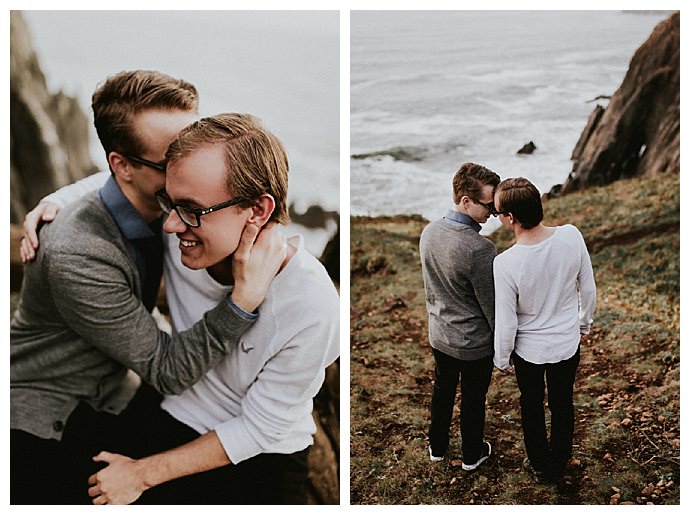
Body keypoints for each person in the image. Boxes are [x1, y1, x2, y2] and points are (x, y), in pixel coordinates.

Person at [10, 71, 284, 504]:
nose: (189, 166)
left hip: (116, 391)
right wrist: (243, 301)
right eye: (169, 161)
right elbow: (168, 370)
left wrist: (58, 195)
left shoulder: (167, 203)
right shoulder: (78, 254)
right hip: (45, 420)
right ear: (122, 165)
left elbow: (113, 182)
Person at [80, 113, 340, 505]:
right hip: (171, 408)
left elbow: (258, 428)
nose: (169, 225)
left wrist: (141, 474)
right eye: (169, 201)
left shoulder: (311, 301)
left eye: (191, 209)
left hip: (258, 457)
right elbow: (116, 188)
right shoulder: (188, 231)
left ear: (257, 211)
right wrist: (52, 202)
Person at [492, 177, 596, 484]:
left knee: (531, 404)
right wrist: (583, 323)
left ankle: (540, 463)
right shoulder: (571, 236)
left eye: (498, 212)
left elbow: (508, 319)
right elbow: (587, 288)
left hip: (530, 351)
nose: (497, 216)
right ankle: (560, 460)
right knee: (563, 402)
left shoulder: (506, 263)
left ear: (511, 217)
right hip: (567, 342)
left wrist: (501, 357)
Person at [419, 162, 500, 471]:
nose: (492, 213)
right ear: (466, 201)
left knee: (442, 390)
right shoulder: (480, 249)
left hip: (439, 334)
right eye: (488, 206)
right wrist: (505, 343)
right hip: (473, 343)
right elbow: (490, 306)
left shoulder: (429, 232)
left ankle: (437, 447)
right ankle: (471, 454)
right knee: (472, 398)